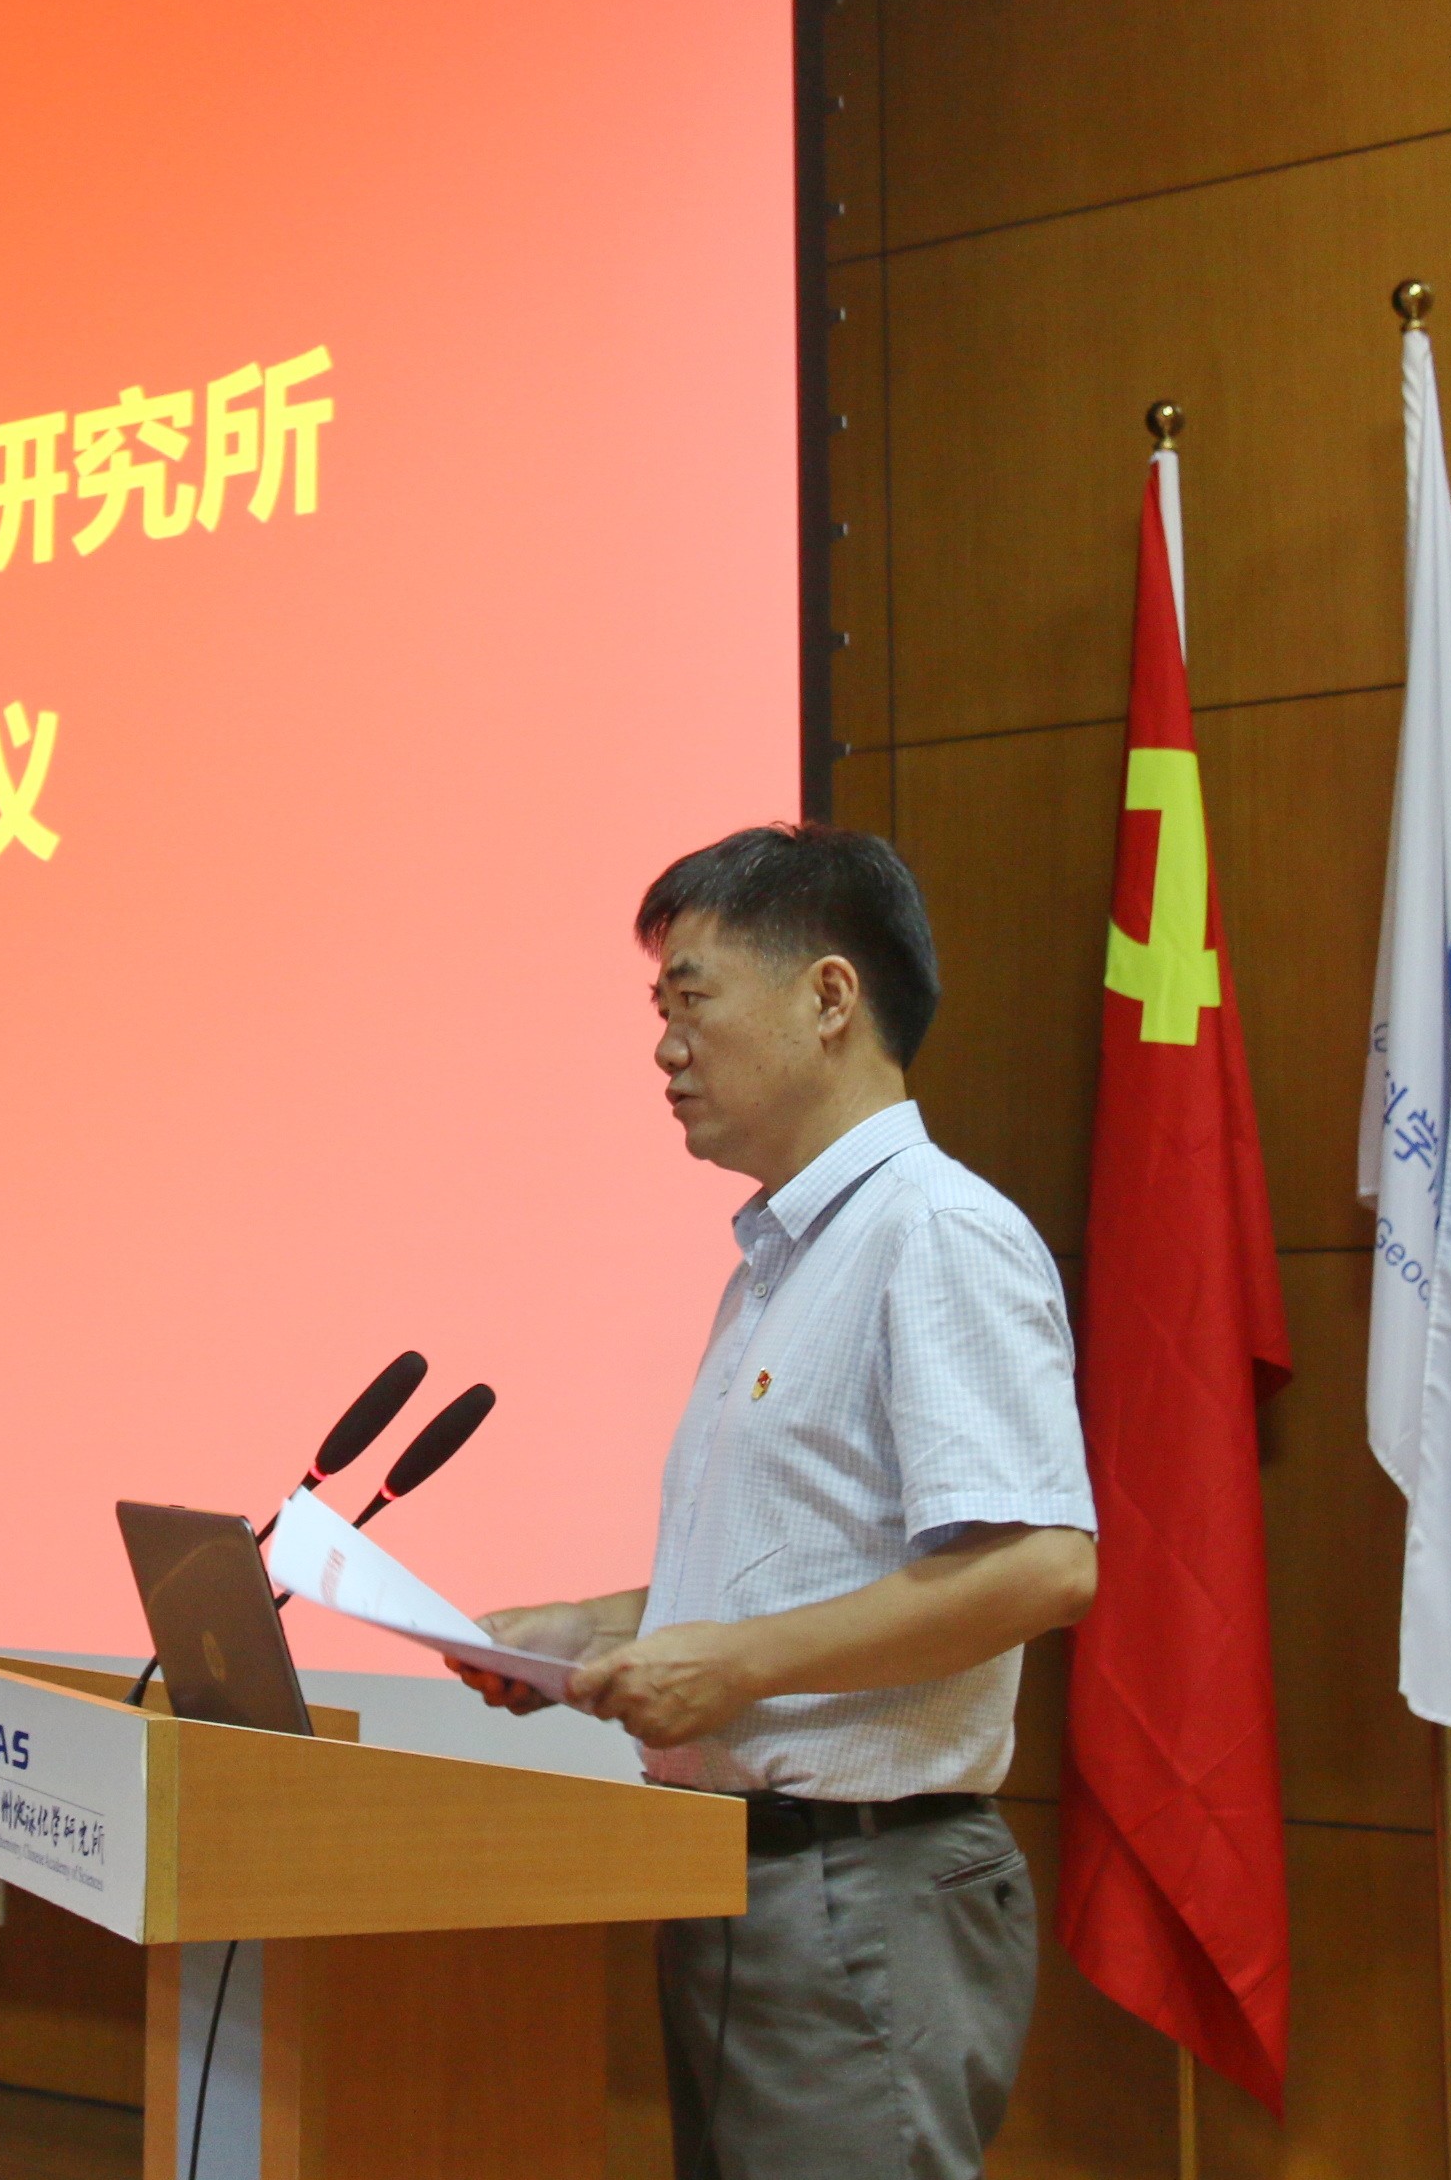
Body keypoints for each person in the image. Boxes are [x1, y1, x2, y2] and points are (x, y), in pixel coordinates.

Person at [458, 823, 1095, 2180]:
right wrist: (598, 1629)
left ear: (828, 998)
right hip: (740, 1881)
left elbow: (1041, 1566)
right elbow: (818, 1558)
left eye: (691, 1000)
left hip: (859, 1890)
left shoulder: (932, 1233)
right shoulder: (783, 1262)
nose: (664, 1049)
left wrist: (734, 1667)